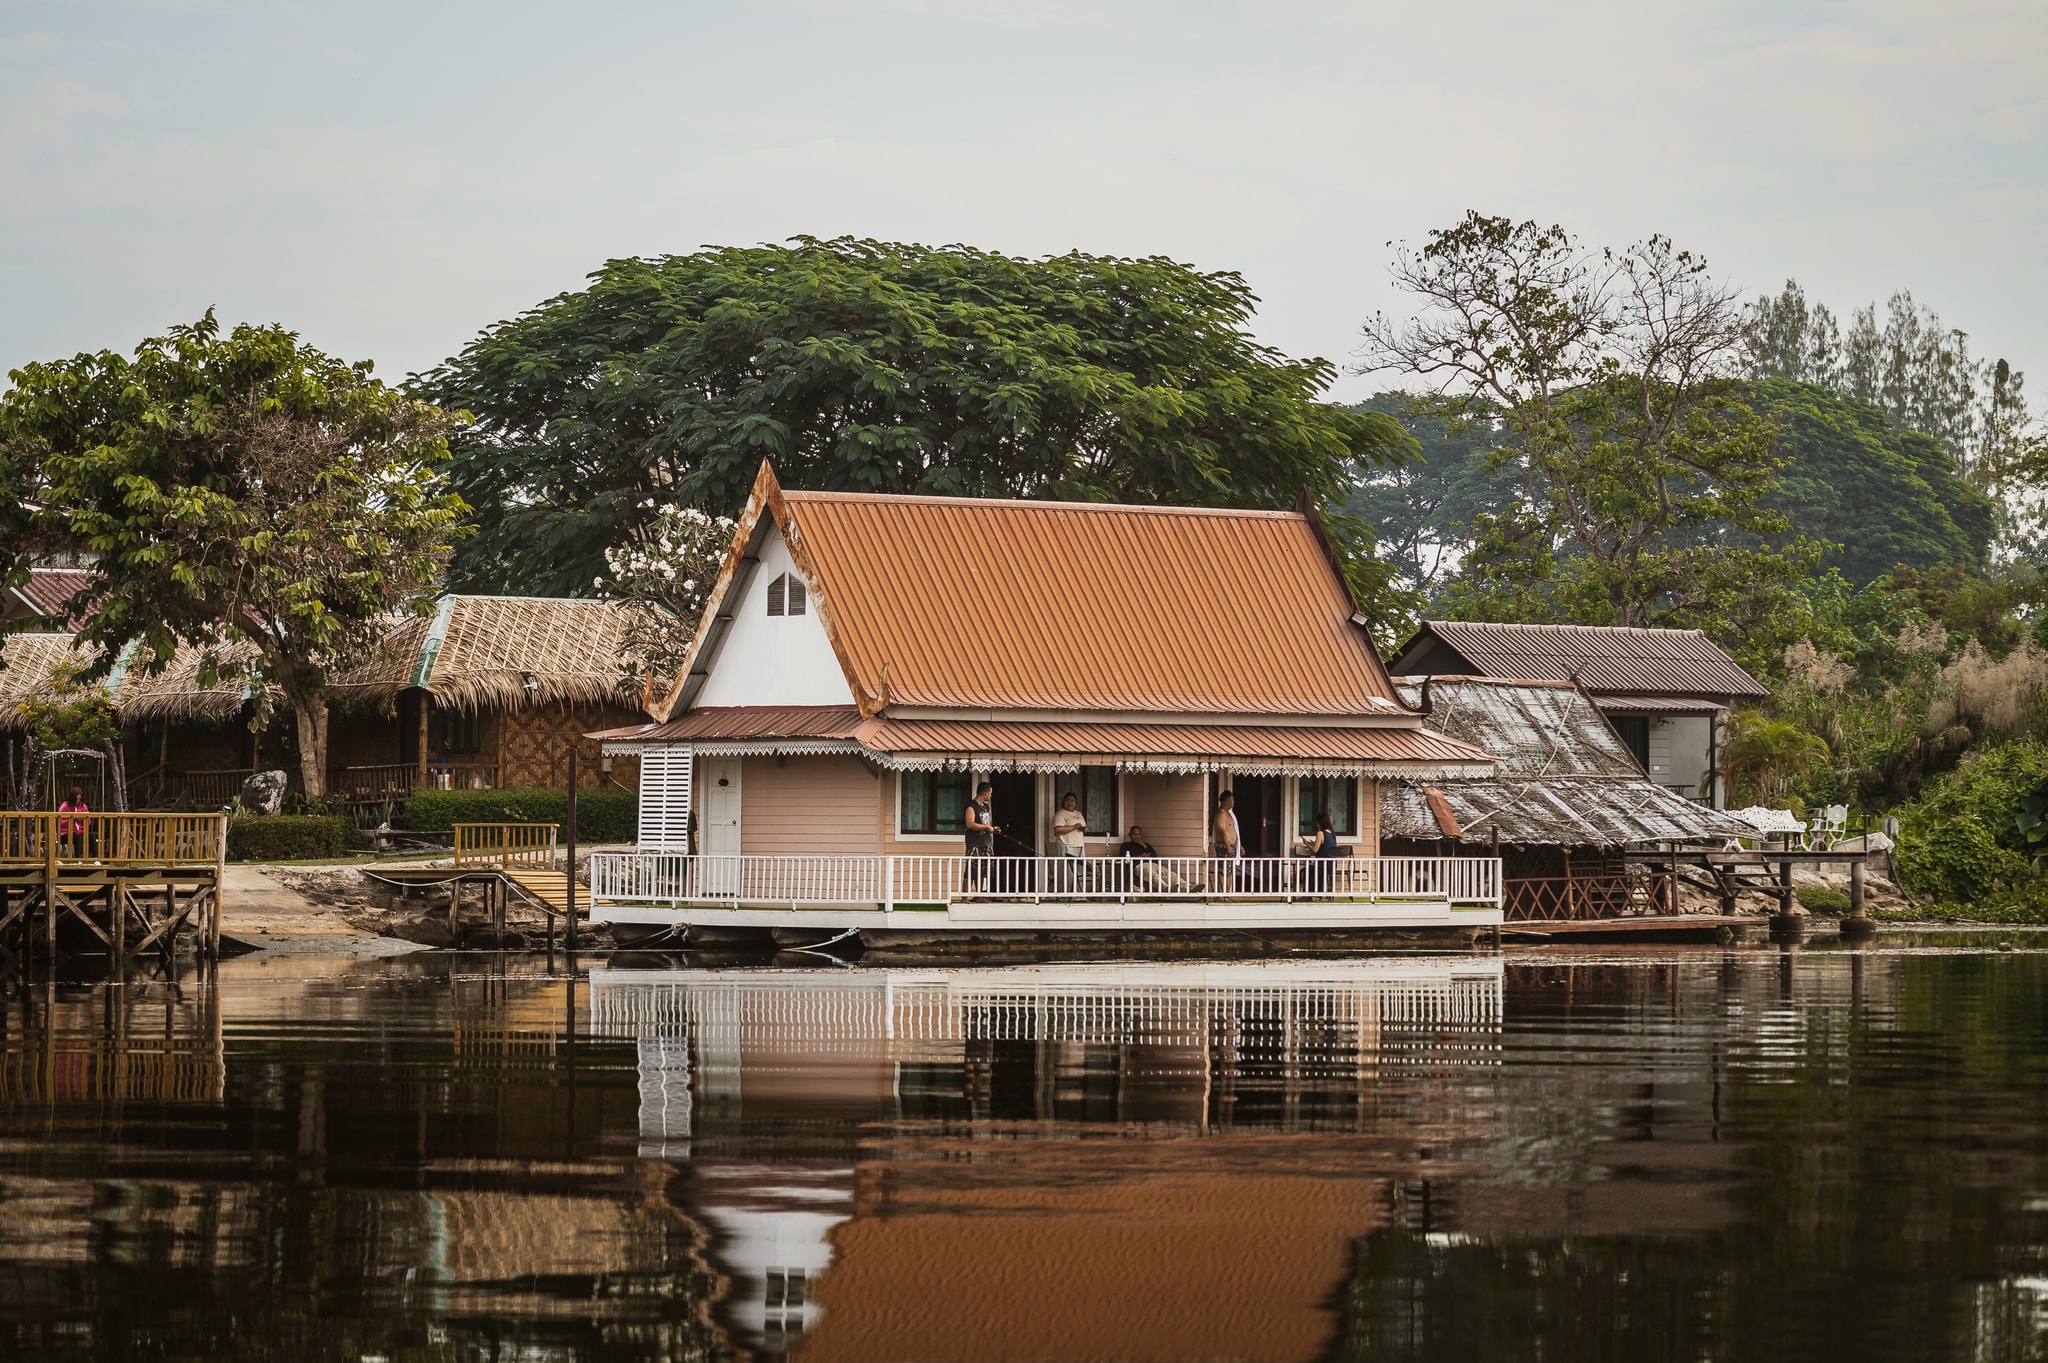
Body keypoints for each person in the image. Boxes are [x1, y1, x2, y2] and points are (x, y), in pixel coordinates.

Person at [963, 781, 998, 892]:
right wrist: (986, 828)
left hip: (986, 843)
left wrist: (992, 829)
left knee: (983, 871)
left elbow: (986, 823)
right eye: (990, 793)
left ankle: (979, 895)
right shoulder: (971, 807)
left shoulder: (986, 807)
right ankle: (965, 897)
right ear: (985, 793)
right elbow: (970, 824)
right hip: (974, 844)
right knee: (971, 871)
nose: (991, 795)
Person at [1297, 809, 1340, 891]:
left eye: (1317, 822)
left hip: (1322, 864)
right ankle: (1319, 892)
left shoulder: (1320, 833)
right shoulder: (1332, 834)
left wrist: (1306, 843)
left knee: (1308, 871)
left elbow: (1315, 850)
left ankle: (1310, 894)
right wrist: (1314, 843)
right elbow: (1325, 845)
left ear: (1321, 822)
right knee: (1314, 871)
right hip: (1332, 864)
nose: (1317, 824)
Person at [1212, 790, 1242, 892]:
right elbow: (1221, 830)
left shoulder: (1229, 814)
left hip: (1232, 847)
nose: (1233, 802)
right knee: (1223, 871)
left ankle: (1227, 894)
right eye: (1231, 800)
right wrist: (1228, 846)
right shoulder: (1221, 814)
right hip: (1224, 847)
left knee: (1229, 872)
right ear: (1225, 801)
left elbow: (1233, 830)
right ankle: (1221, 895)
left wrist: (1239, 845)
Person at [57, 786, 90, 858]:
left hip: (80, 831)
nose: (78, 801)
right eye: (76, 799)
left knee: (91, 836)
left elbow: (88, 823)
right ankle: (78, 859)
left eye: (80, 799)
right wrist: (73, 819)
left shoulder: (83, 806)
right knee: (77, 837)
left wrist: (86, 817)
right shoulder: (65, 806)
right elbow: (60, 822)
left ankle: (96, 859)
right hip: (65, 833)